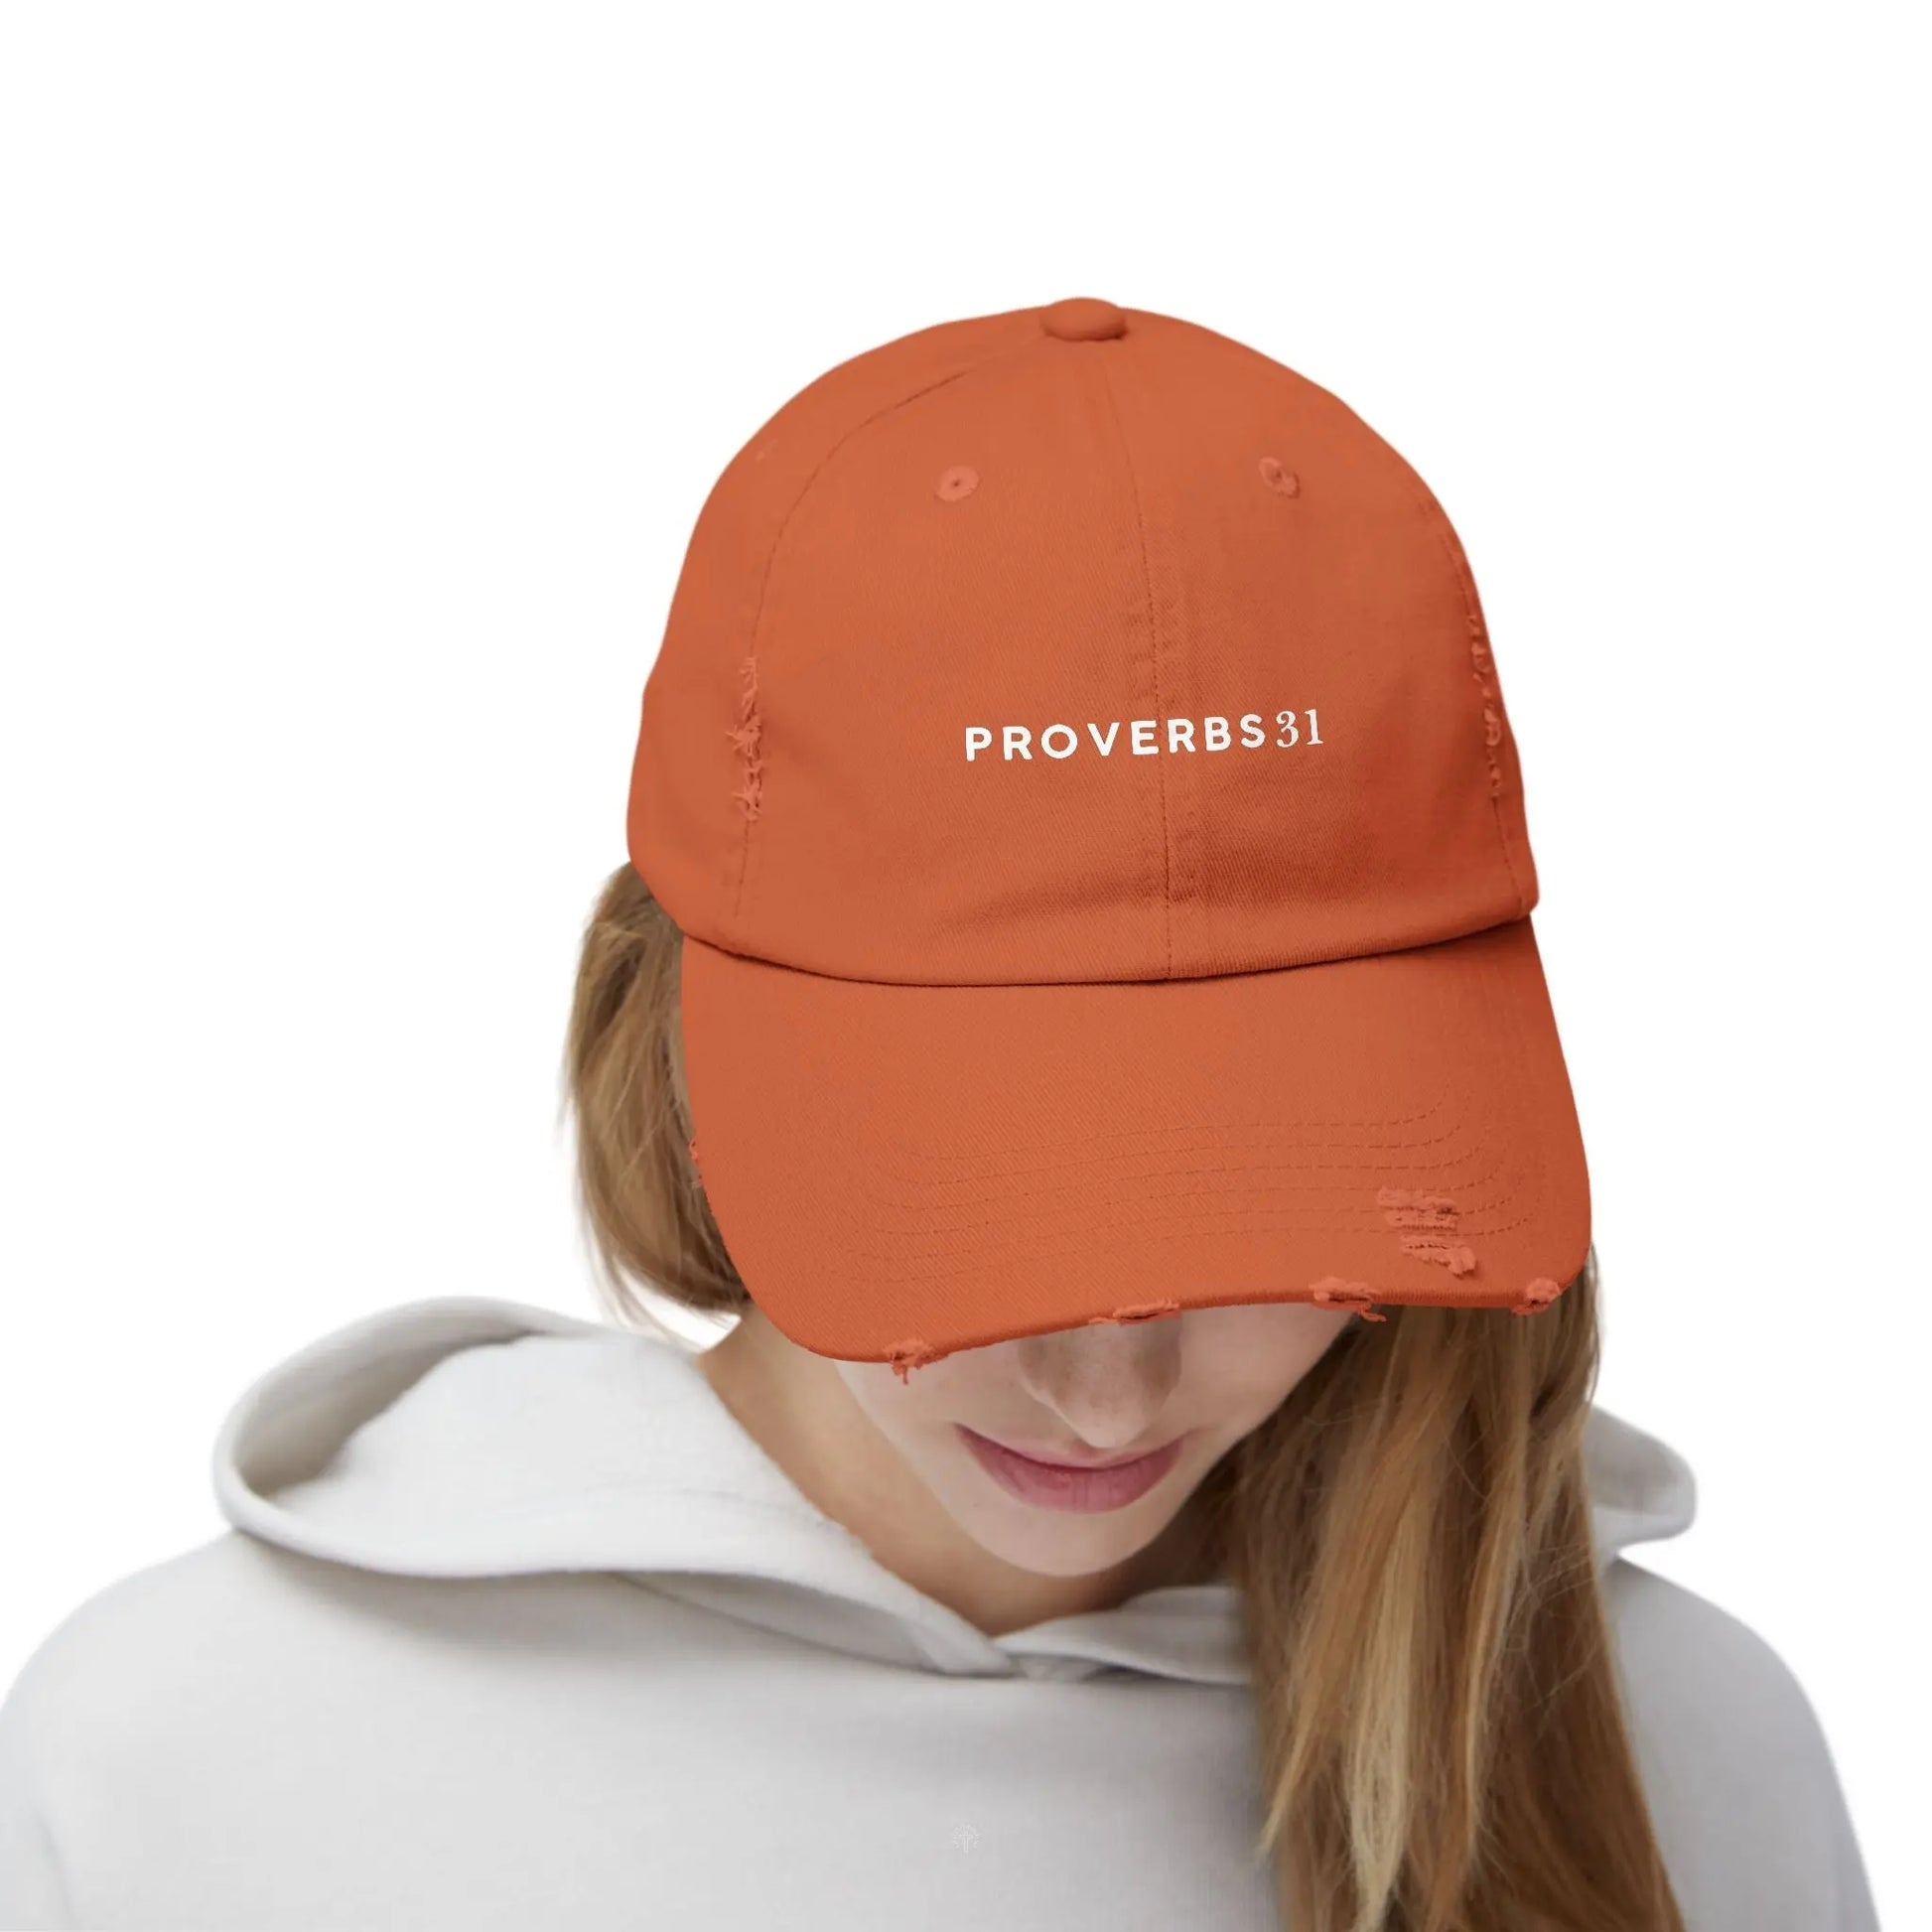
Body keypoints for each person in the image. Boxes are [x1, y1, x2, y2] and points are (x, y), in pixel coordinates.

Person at [0, 298, 1878, 1932]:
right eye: (980, 1213)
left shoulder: (1681, 1747)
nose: (1108, 1393)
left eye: (1262, 1215)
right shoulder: (185, 1761)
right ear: (675, 1050)